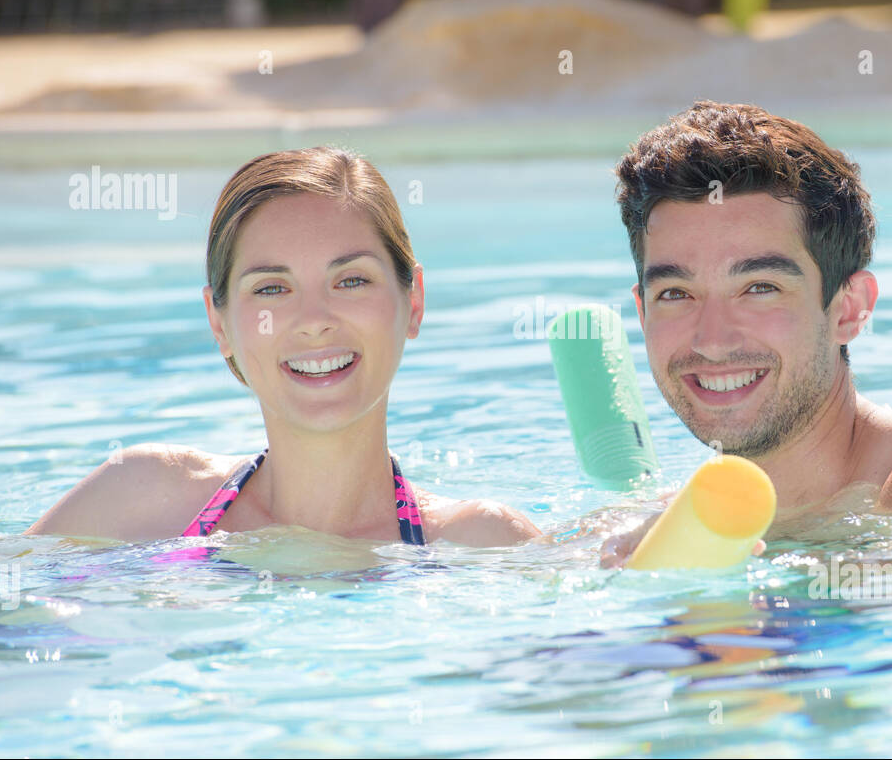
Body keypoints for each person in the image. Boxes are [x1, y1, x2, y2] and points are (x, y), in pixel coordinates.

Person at [602, 101, 892, 566]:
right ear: (641, 313)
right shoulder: (668, 516)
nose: (712, 340)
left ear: (850, 309)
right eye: (676, 294)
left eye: (760, 288)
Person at [27, 147, 540, 547]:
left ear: (415, 301)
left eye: (351, 280)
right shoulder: (140, 498)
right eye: (272, 288)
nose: (314, 321)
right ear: (219, 322)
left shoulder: (480, 546)